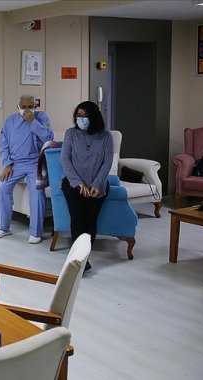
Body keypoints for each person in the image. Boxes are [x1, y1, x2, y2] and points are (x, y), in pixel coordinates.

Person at [0, 94, 54, 244]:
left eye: (30, 106)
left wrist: (33, 122)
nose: (27, 110)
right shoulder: (10, 120)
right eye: (24, 107)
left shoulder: (42, 117)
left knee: (37, 191)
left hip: (36, 162)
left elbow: (49, 138)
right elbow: (3, 144)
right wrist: (7, 164)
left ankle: (36, 232)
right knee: (3, 188)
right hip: (15, 163)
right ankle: (3, 227)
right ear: (18, 107)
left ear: (35, 106)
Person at [60, 101, 113, 272]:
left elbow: (107, 163)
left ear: (94, 117)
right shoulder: (71, 134)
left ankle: (85, 257)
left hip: (97, 185)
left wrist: (97, 184)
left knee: (91, 221)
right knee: (78, 219)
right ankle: (77, 260)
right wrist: (78, 183)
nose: (81, 119)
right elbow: (65, 160)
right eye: (78, 115)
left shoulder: (106, 137)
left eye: (85, 116)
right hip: (73, 184)